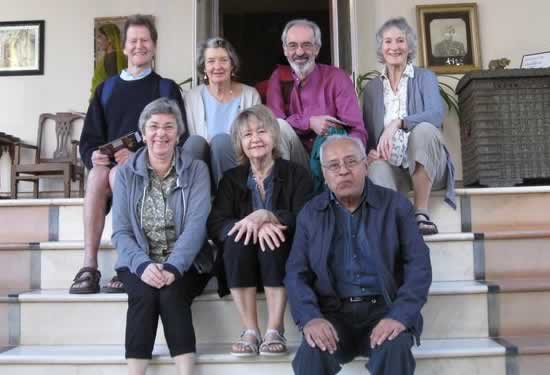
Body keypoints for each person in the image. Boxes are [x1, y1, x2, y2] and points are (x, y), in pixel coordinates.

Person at [285, 135, 432, 375]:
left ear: (365, 165)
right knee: (311, 355)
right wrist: (310, 318)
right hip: (334, 313)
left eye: (351, 162)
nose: (343, 171)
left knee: (395, 349)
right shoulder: (311, 214)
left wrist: (399, 316)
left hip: (384, 309)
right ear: (324, 173)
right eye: (333, 165)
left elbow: (419, 266)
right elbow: (295, 274)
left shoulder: (395, 205)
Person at [70, 14, 186, 294]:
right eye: (133, 41)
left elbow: (179, 135)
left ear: (154, 46)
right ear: (124, 48)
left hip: (151, 168)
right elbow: (89, 140)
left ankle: (128, 264)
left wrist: (140, 156)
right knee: (98, 174)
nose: (139, 46)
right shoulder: (106, 90)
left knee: (121, 172)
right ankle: (89, 266)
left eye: (145, 40)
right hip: (110, 167)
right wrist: (92, 156)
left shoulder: (165, 88)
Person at [112, 98, 211, 375]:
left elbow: (196, 227)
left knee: (170, 295)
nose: (161, 133)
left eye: (169, 127)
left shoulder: (196, 170)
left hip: (188, 263)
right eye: (153, 126)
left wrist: (172, 267)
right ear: (143, 133)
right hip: (139, 262)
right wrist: (143, 266)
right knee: (143, 295)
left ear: (179, 134)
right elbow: (120, 232)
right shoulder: (125, 174)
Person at [208, 104, 312, 357]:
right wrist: (247, 227)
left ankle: (275, 329)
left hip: (281, 258)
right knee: (236, 239)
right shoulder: (231, 179)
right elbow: (215, 223)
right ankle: (250, 330)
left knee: (273, 238)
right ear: (240, 143)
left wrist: (269, 217)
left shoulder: (297, 173)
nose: (255, 139)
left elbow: (307, 217)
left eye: (261, 131)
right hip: (241, 261)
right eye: (247, 134)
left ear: (274, 136)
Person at [363, 17, 456, 235]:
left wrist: (399, 122)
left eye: (400, 41)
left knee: (423, 130)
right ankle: (393, 225)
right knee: (375, 167)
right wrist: (369, 152)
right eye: (388, 41)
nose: (394, 47)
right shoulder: (371, 90)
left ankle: (421, 213)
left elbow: (435, 115)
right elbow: (367, 133)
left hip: (429, 165)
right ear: (381, 48)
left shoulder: (425, 77)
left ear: (409, 46)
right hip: (393, 168)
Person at [267, 19, 367, 163]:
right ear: (285, 50)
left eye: (306, 45)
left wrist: (350, 159)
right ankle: (285, 185)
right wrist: (309, 122)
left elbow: (356, 130)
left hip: (332, 158)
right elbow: (274, 123)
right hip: (295, 161)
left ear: (317, 48)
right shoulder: (279, 78)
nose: (300, 52)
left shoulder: (337, 78)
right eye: (293, 46)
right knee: (279, 128)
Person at [183, 37, 261, 185]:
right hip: (201, 165)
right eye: (211, 61)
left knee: (221, 142)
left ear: (232, 65)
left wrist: (221, 142)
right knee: (194, 143)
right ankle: (193, 199)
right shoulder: (192, 97)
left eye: (224, 60)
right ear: (204, 67)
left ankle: (231, 200)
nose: (217, 66)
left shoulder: (250, 95)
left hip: (237, 166)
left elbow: (255, 139)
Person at [90, 23, 126, 99]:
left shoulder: (111, 57)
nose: (97, 40)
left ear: (109, 39)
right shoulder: (114, 56)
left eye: (100, 36)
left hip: (105, 103)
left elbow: (112, 85)